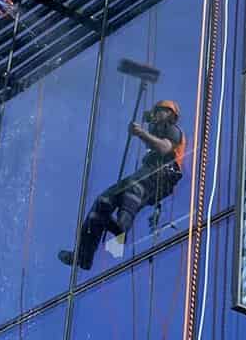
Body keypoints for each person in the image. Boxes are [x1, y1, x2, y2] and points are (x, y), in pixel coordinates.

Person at [59, 99, 187, 270]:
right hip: (149, 172)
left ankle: (120, 230)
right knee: (103, 201)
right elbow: (152, 132)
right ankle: (84, 256)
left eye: (159, 112)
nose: (156, 115)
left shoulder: (173, 130)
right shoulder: (157, 129)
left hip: (162, 175)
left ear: (170, 115)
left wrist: (140, 133)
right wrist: (144, 125)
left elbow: (164, 148)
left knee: (133, 190)